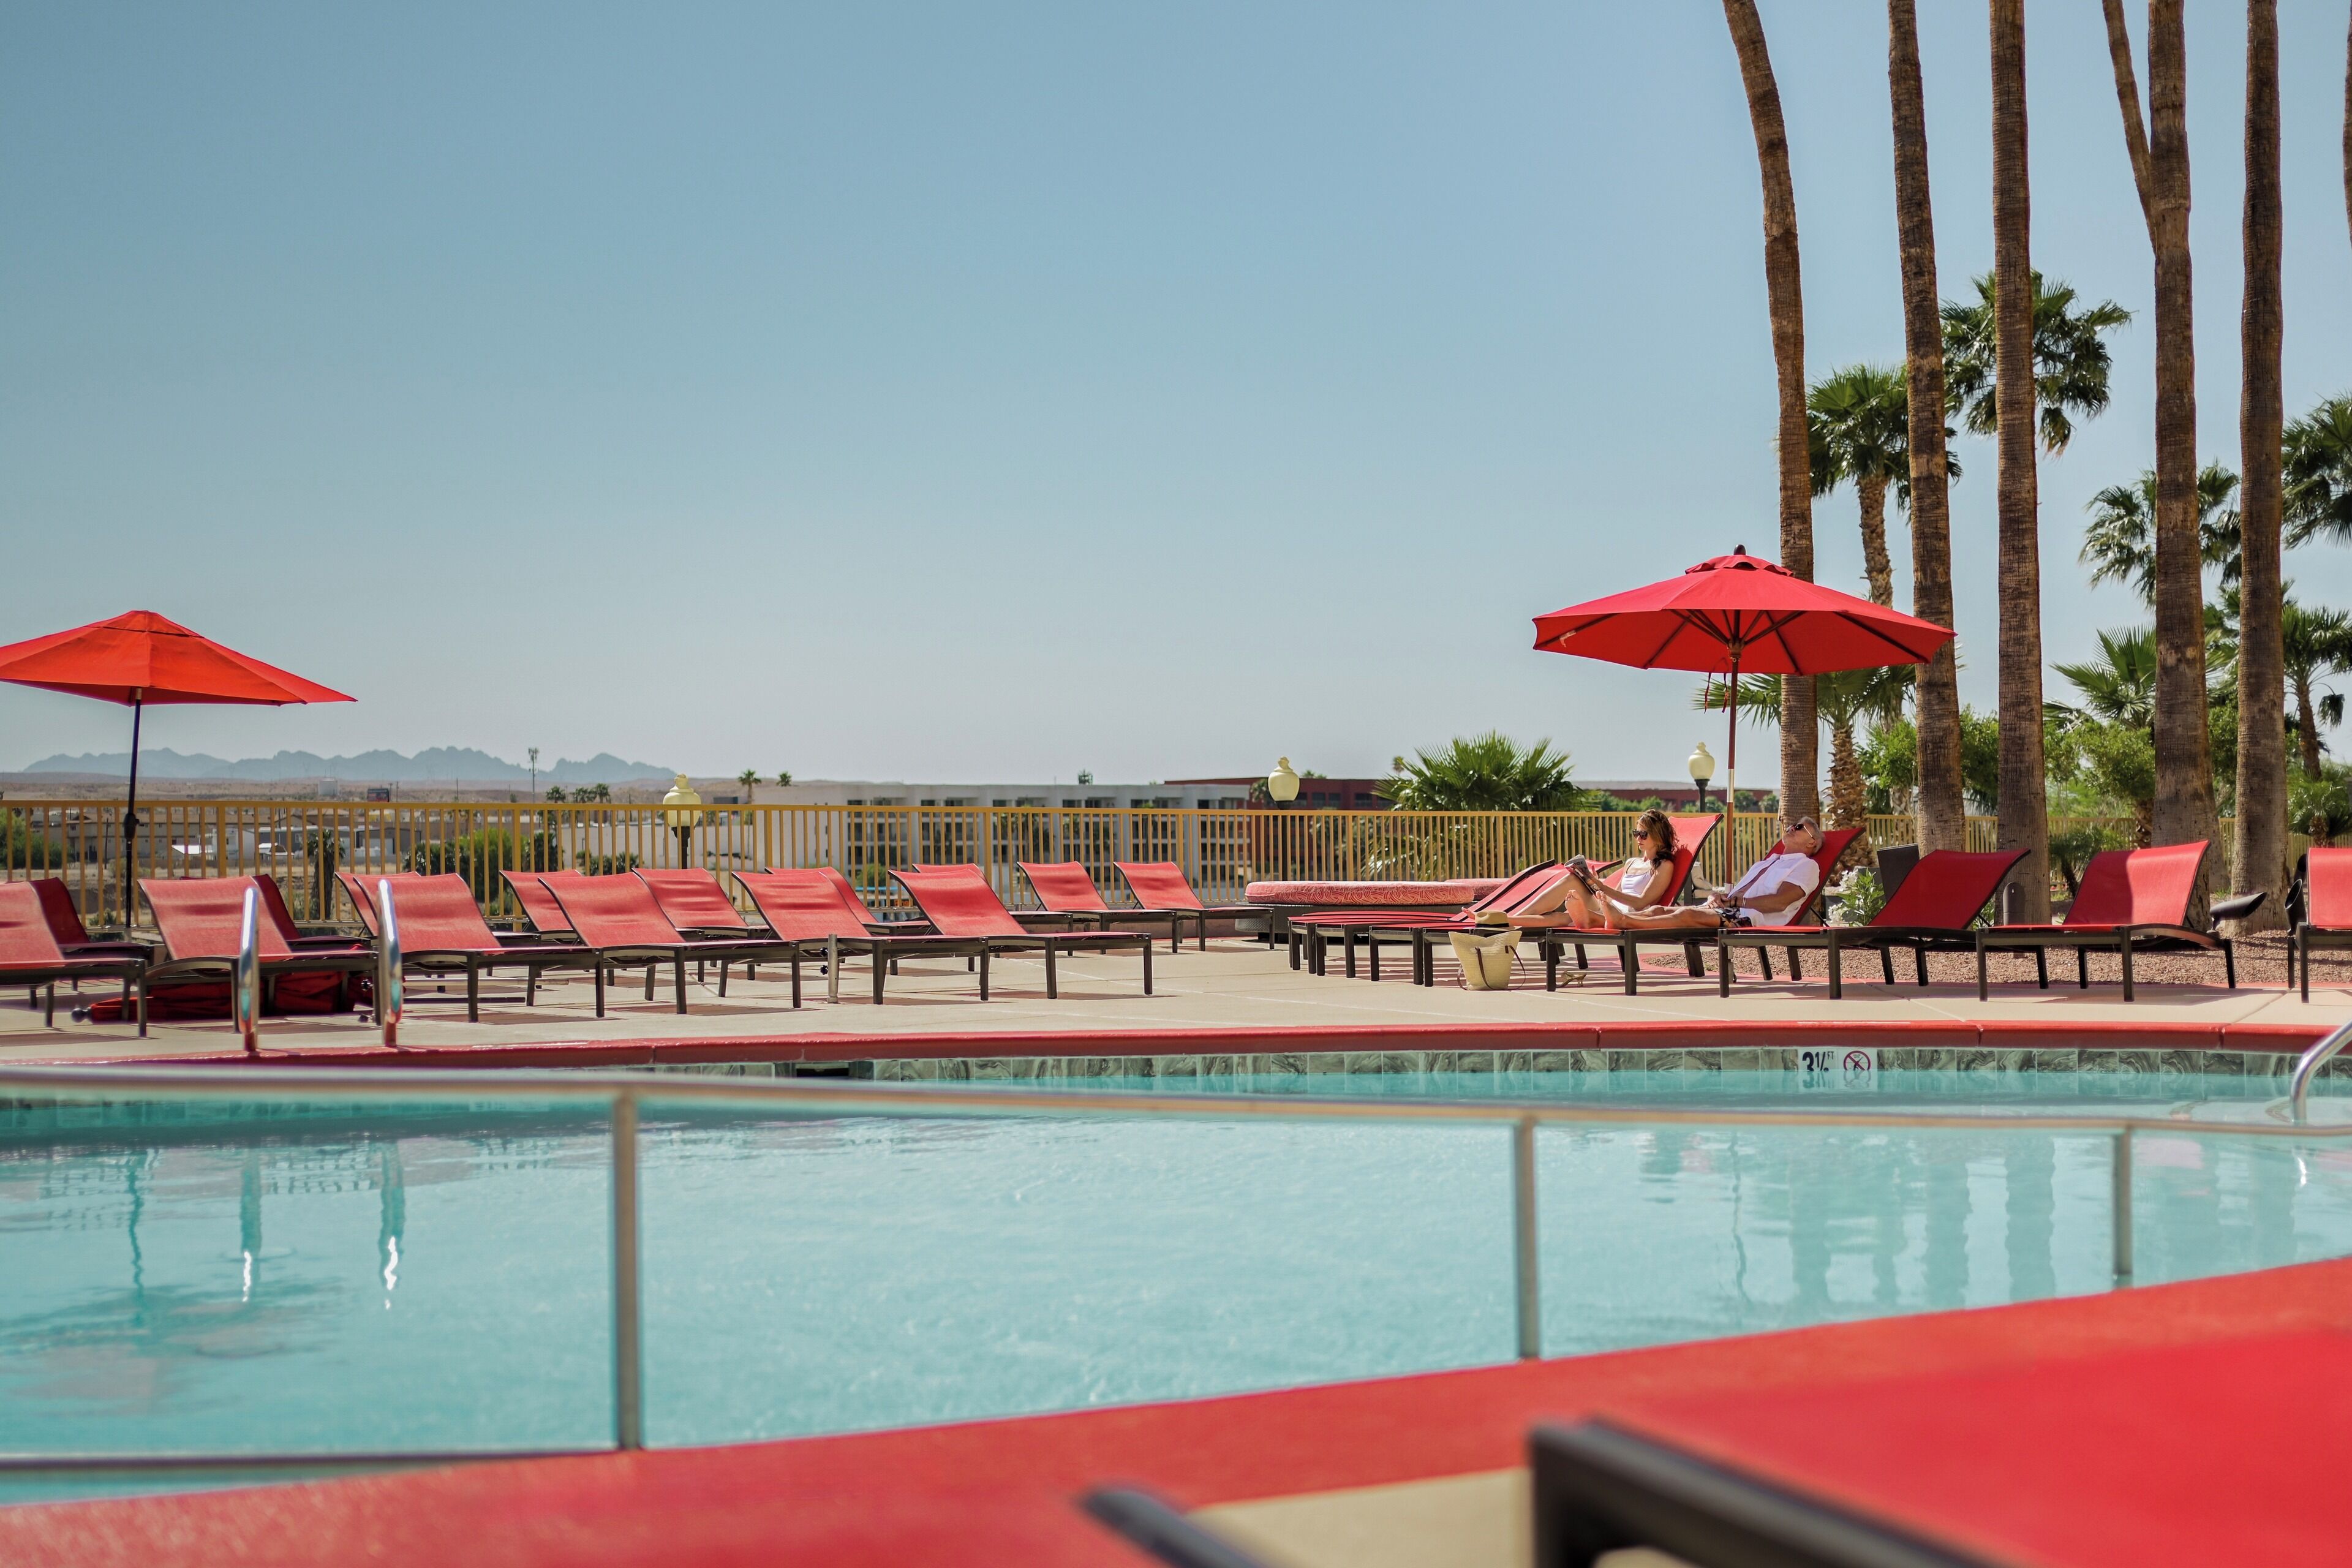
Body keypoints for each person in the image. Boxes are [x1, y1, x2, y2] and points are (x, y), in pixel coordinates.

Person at [1574, 816, 1825, 930]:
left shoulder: (1806, 865)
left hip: (1750, 919)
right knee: (1659, 911)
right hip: (1729, 908)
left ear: (1812, 843)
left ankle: (1624, 923)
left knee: (1685, 913)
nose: (1792, 827)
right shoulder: (1768, 862)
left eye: (1800, 827)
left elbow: (1782, 901)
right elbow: (1738, 893)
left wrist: (1736, 901)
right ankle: (1602, 921)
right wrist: (1721, 896)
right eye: (1793, 824)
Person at [1537, 809, 1681, 929]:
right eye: (1636, 834)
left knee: (1561, 918)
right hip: (1608, 908)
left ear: (1658, 835)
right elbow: (1614, 897)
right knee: (1572, 880)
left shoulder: (1664, 866)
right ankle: (1515, 918)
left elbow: (1641, 903)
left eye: (1643, 835)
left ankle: (1515, 923)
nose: (1638, 839)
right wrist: (1592, 883)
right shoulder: (1631, 863)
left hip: (1624, 916)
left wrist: (1603, 887)